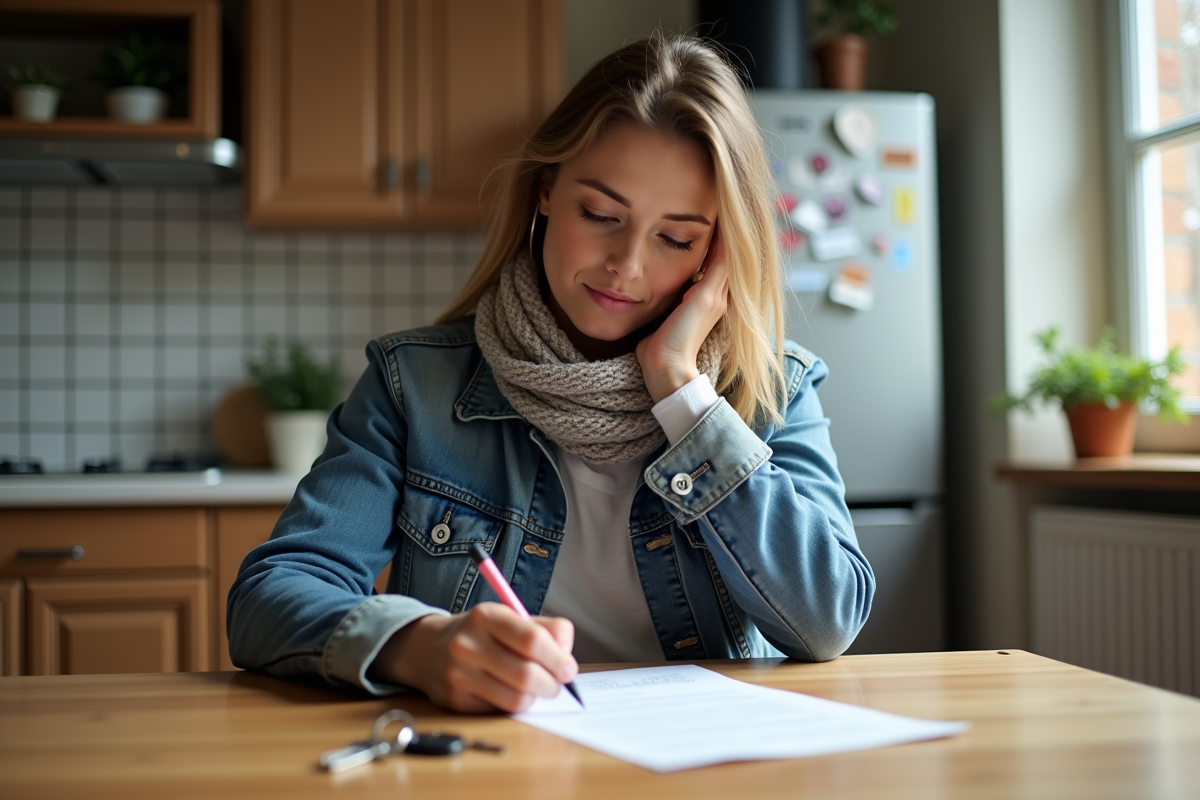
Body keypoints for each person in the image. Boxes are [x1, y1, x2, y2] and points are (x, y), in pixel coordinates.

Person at [227, 33, 874, 713]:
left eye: (676, 238)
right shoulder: (412, 385)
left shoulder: (771, 391)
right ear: (544, 192)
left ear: (719, 254)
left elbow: (827, 622)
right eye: (600, 215)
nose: (627, 264)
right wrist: (419, 646)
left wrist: (685, 395)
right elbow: (271, 594)